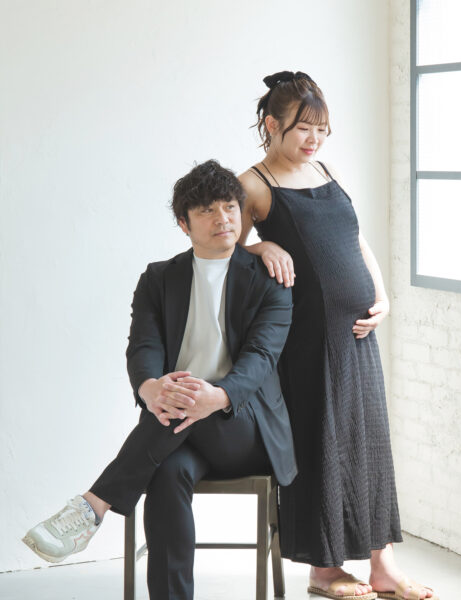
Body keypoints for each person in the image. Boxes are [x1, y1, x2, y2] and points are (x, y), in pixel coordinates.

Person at [22, 159, 296, 600]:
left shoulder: (269, 279)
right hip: (174, 430)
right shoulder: (159, 278)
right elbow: (143, 348)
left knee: (182, 406)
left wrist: (217, 395)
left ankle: (94, 505)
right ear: (184, 224)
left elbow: (261, 358)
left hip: (244, 427)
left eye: (229, 207)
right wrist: (149, 388)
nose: (223, 218)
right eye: (207, 210)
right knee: (166, 474)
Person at [238, 72, 438, 600]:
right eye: (304, 129)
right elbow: (220, 250)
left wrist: (382, 295)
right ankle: (324, 571)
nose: (315, 140)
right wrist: (259, 247)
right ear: (272, 125)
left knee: (369, 445)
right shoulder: (253, 184)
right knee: (323, 445)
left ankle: (383, 566)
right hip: (308, 341)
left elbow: (355, 238)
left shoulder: (325, 169)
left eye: (322, 130)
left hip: (358, 337)